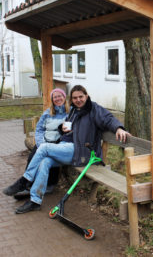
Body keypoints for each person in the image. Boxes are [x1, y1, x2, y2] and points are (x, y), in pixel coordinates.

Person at [3, 85, 130, 214]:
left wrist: (119, 128)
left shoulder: (94, 109)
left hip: (83, 152)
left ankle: (24, 181)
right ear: (71, 99)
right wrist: (62, 128)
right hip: (68, 148)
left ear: (86, 96)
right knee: (44, 161)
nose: (78, 100)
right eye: (75, 98)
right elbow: (68, 129)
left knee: (44, 147)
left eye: (81, 96)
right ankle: (35, 201)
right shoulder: (74, 111)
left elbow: (108, 119)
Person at [3, 88, 69, 197]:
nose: (58, 98)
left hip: (58, 143)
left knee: (50, 159)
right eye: (55, 97)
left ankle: (49, 185)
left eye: (59, 96)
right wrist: (40, 143)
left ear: (64, 97)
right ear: (52, 100)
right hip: (44, 142)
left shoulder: (69, 113)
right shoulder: (48, 113)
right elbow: (39, 129)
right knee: (32, 158)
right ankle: (28, 185)